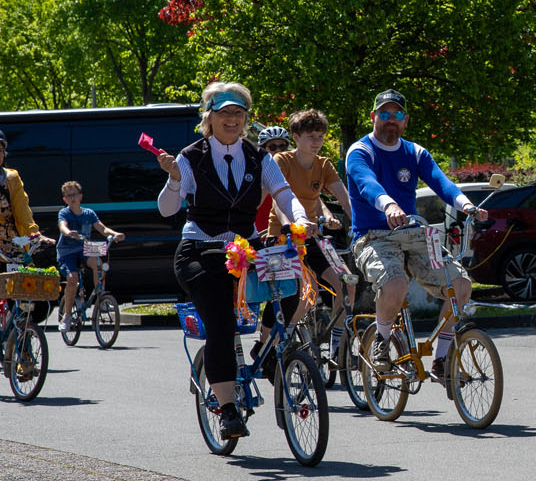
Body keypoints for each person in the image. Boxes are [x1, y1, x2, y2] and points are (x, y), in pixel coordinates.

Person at [157, 82, 313, 442]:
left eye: (239, 113)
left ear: (246, 119)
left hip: (247, 248)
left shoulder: (260, 157)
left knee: (293, 293)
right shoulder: (190, 156)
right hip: (200, 251)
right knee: (221, 325)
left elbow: (285, 195)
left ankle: (265, 350)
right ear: (209, 117)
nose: (232, 119)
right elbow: (167, 208)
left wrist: (300, 221)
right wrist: (175, 180)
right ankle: (227, 410)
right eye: (224, 112)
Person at [344, 90, 489, 380]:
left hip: (414, 233)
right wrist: (388, 205)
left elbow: (440, 180)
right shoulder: (360, 151)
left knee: (460, 284)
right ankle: (382, 343)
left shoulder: (415, 152)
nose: (391, 121)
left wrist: (467, 206)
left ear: (405, 120)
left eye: (397, 115)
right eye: (384, 114)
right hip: (374, 236)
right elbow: (366, 182)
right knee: (395, 283)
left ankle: (443, 359)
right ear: (373, 117)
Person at [272, 109, 357, 356]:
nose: (316, 141)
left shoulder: (323, 165)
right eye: (311, 135)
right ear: (296, 137)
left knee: (347, 282)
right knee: (302, 295)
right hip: (283, 237)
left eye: (320, 136)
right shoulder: (282, 161)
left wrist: (361, 225)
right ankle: (285, 339)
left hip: (313, 237)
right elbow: (279, 201)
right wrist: (291, 224)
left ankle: (337, 346)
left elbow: (344, 198)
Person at [57, 181, 125, 325]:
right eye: (68, 196)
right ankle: (67, 316)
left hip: (85, 247)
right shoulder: (64, 213)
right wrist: (69, 233)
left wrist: (115, 234)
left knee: (99, 262)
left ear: (80, 196)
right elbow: (62, 226)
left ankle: (101, 297)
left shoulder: (89, 213)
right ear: (64, 199)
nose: (72, 198)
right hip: (67, 251)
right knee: (72, 279)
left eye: (74, 194)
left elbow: (102, 228)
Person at [0, 130, 41, 259]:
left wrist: (34, 233)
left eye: (0, 150)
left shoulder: (11, 177)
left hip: (11, 242)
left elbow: (22, 209)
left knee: (23, 275)